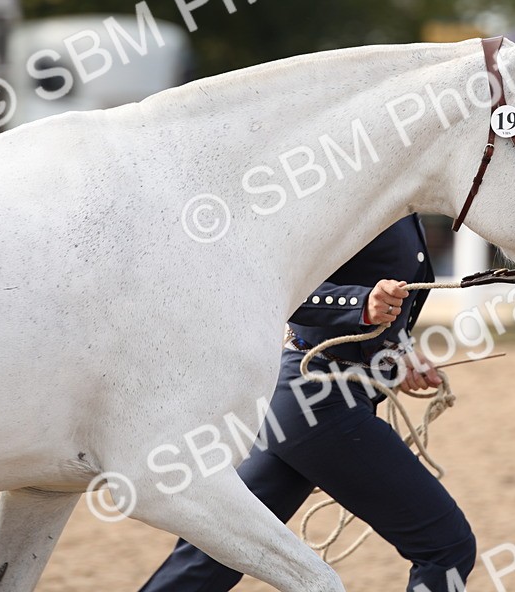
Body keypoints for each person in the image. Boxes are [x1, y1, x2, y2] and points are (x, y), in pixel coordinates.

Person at [139, 214, 476, 592]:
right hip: (320, 403)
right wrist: (360, 304)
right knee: (448, 547)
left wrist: (401, 352)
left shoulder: (400, 201)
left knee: (210, 561)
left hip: (306, 403)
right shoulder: (345, 191)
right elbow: (276, 287)